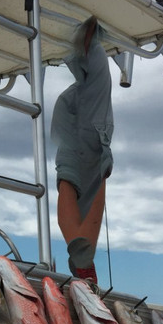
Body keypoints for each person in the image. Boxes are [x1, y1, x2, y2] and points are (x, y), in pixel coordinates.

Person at [51, 16, 113, 285]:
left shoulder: (72, 93)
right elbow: (88, 35)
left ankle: (81, 257)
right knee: (95, 177)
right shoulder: (96, 65)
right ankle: (84, 262)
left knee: (69, 178)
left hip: (69, 113)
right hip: (89, 124)